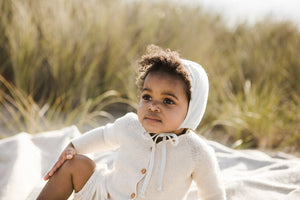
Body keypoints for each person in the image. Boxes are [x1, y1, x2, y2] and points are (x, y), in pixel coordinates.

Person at [37, 45, 226, 200]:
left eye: (168, 101)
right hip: (106, 195)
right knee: (74, 164)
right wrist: (73, 146)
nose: (153, 106)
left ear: (192, 109)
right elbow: (104, 136)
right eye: (147, 96)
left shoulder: (196, 152)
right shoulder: (130, 125)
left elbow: (214, 194)